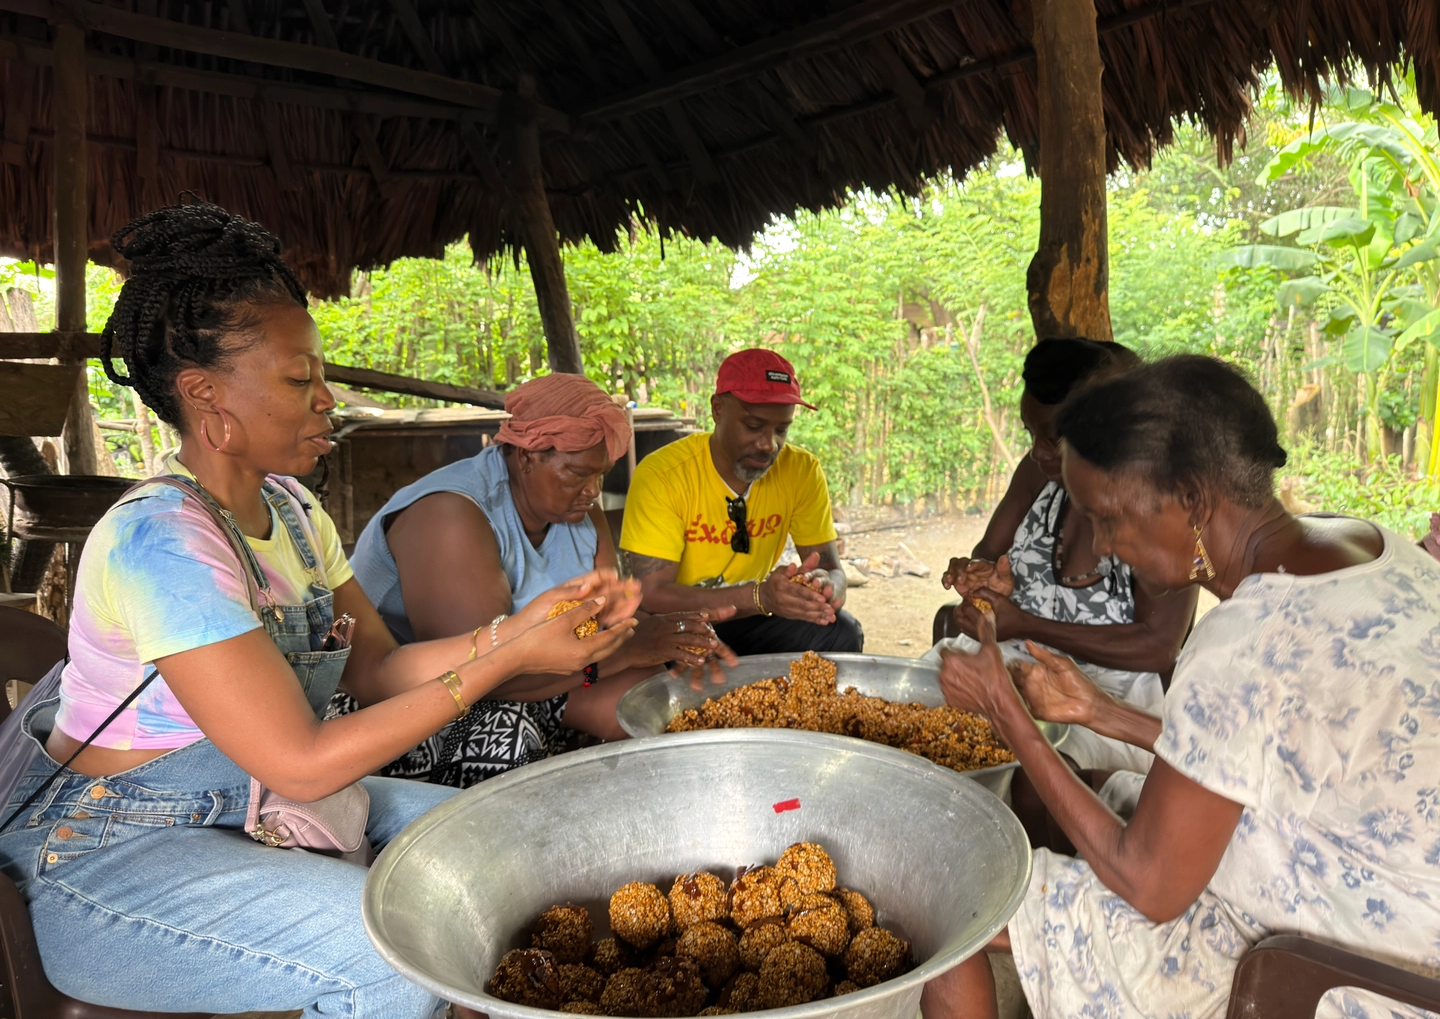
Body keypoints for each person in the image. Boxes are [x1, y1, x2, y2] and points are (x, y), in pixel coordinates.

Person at [0, 202, 639, 1018]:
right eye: (300, 381)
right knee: (394, 959)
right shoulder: (163, 544)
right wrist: (506, 660)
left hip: (247, 806)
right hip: (110, 852)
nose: (327, 398)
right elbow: (300, 764)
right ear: (205, 395)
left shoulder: (294, 514)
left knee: (507, 839)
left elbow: (377, 669)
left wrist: (519, 629)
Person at [927, 355, 1440, 1019]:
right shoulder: (1369, 543)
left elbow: (1150, 885)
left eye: (1108, 517)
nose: (1102, 545)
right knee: (1056, 790)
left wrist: (1008, 712)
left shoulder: (1246, 640)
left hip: (1322, 961)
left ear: (1193, 499)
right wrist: (1100, 711)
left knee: (953, 900)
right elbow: (1272, 746)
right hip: (1392, 912)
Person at [344, 373, 734, 787]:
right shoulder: (449, 517)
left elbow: (604, 627)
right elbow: (483, 676)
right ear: (527, 457)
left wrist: (676, 639)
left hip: (544, 674)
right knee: (510, 734)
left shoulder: (578, 512)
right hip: (422, 701)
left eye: (601, 475)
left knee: (661, 696)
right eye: (578, 474)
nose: (593, 491)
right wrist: (623, 652)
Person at [932, 338, 1196, 811]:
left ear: (1106, 430)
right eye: (1030, 434)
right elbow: (989, 552)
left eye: (1053, 438)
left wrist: (1026, 624)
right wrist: (981, 579)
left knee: (1031, 771)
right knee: (919, 718)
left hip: (1108, 699)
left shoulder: (1160, 509)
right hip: (1014, 659)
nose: (1037, 452)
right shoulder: (1039, 476)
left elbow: (1158, 646)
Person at [621, 348, 863, 654]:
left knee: (841, 633)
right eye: (753, 426)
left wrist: (824, 589)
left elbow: (832, 570)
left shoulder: (801, 470)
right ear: (717, 409)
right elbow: (652, 596)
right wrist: (759, 596)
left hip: (753, 617)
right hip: (681, 622)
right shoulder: (664, 474)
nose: (769, 444)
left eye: (781, 430)